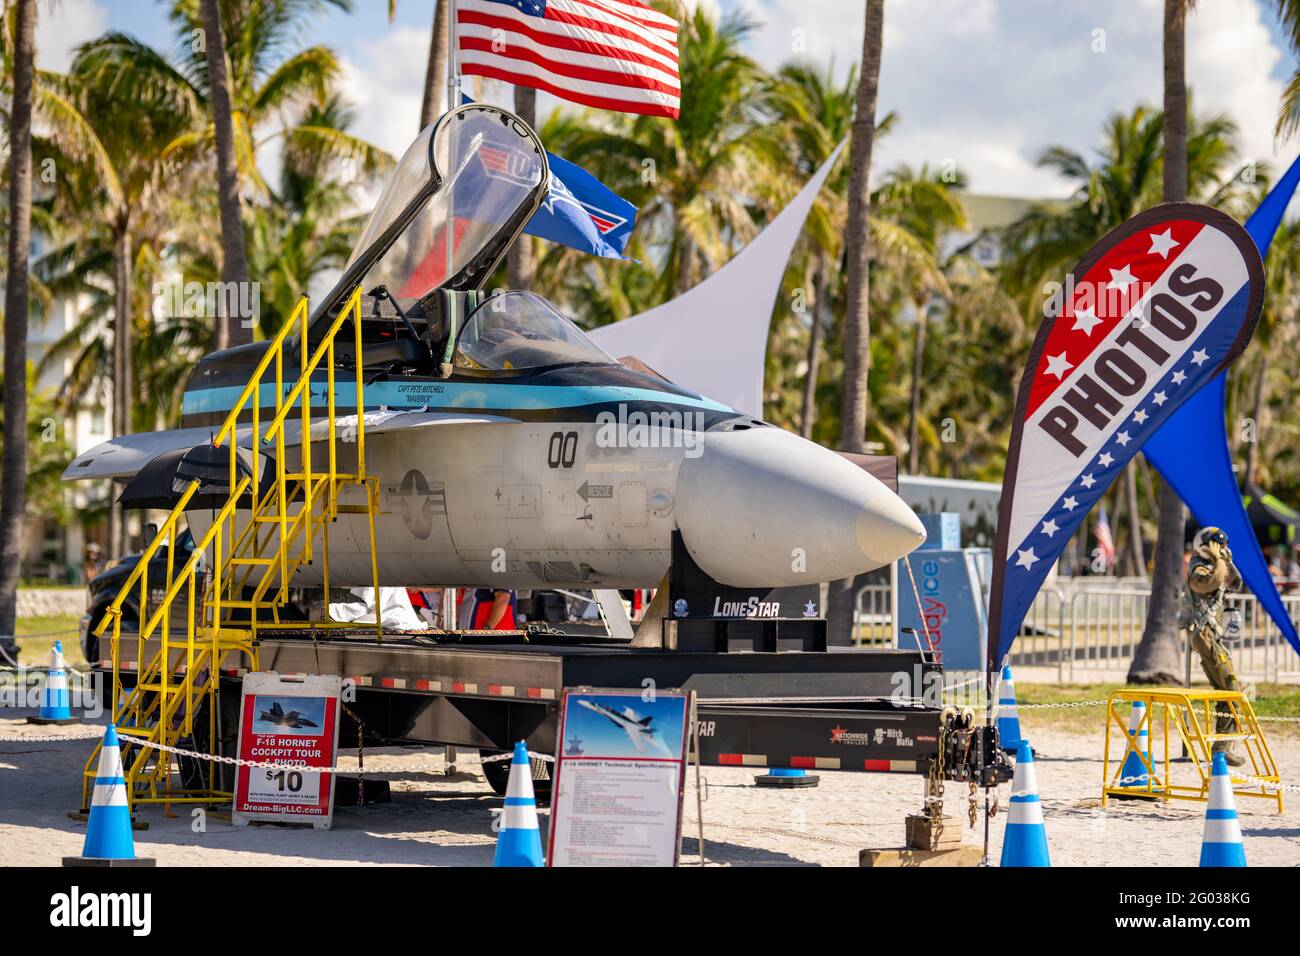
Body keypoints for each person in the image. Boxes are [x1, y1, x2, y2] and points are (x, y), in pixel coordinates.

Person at [1180, 526, 1245, 766]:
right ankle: (1221, 748)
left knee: (1227, 689)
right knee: (1229, 687)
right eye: (1217, 545)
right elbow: (1206, 584)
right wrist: (1218, 560)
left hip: (1212, 635)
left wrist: (1226, 560)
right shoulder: (1199, 566)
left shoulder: (1215, 564)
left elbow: (1235, 583)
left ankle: (1222, 745)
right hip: (1203, 633)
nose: (1221, 550)